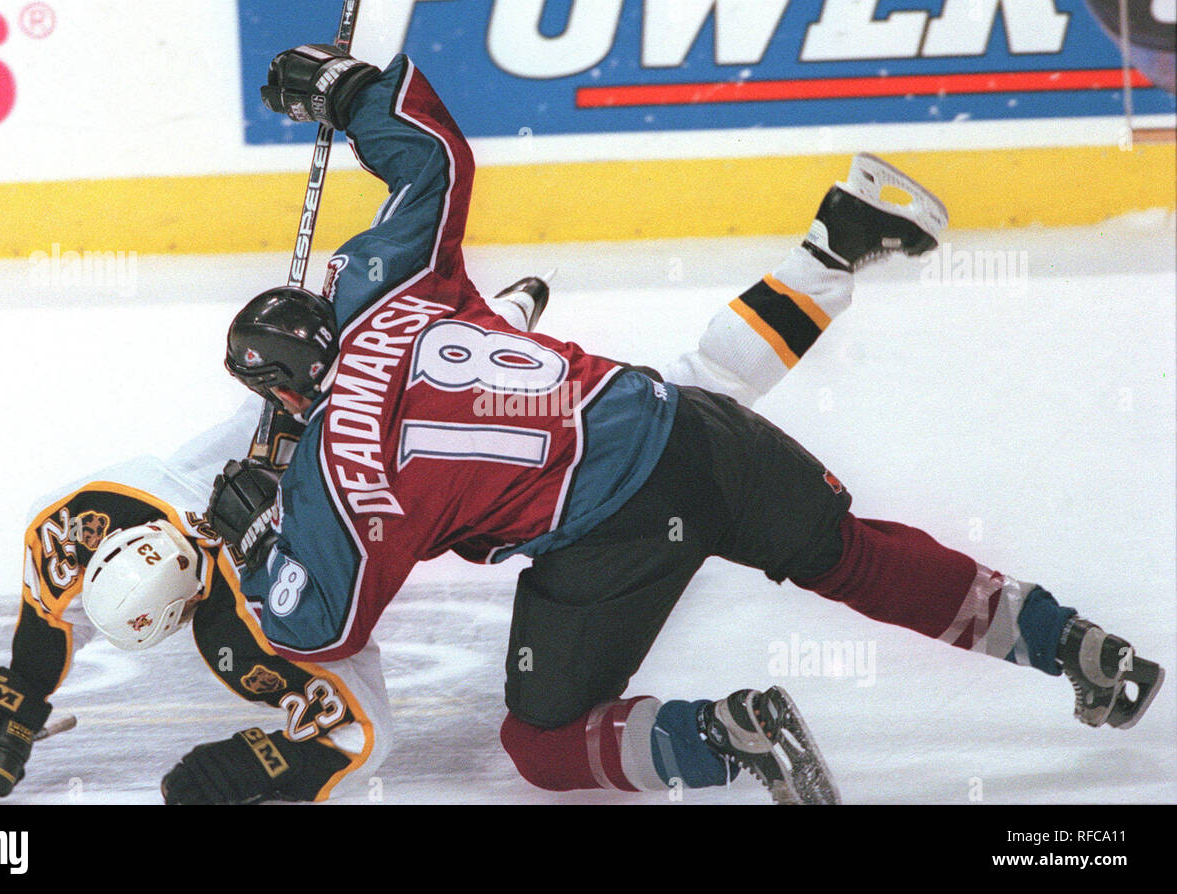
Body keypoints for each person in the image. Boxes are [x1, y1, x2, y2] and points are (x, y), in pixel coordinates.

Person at [208, 45, 1165, 805]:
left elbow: (319, 624)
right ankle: (1071, 642)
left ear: (287, 395)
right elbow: (435, 157)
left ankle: (726, 734)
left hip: (606, 540)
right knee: (851, 548)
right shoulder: (391, 285)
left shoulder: (338, 477)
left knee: (539, 746)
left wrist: (258, 541)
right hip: (687, 431)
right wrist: (346, 92)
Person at [0, 280, 548, 805]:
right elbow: (50, 597)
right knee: (396, 369)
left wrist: (250, 769)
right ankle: (514, 322)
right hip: (325, 441)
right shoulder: (94, 512)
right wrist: (16, 694)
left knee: (434, 412)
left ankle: (531, 354)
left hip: (368, 475)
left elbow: (364, 735)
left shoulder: (253, 621)